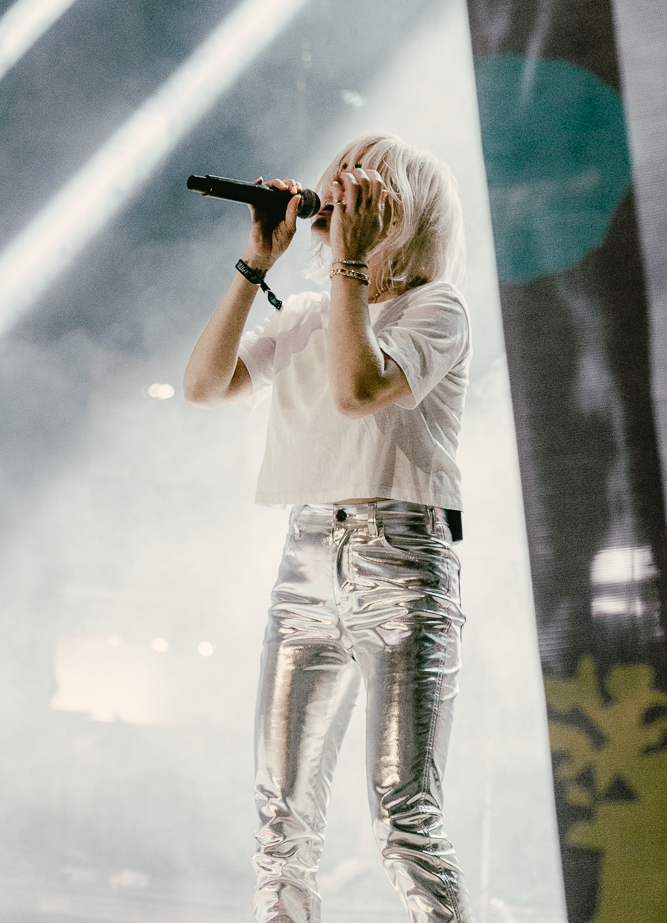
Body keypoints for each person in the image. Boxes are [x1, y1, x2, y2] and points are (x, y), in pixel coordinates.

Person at [184, 132, 475, 923]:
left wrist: (350, 267)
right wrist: (256, 265)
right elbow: (204, 386)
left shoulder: (435, 308)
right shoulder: (309, 314)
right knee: (281, 819)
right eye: (335, 180)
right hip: (307, 556)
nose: (337, 192)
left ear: (399, 210)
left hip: (402, 564)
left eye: (360, 184)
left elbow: (359, 389)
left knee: (402, 814)